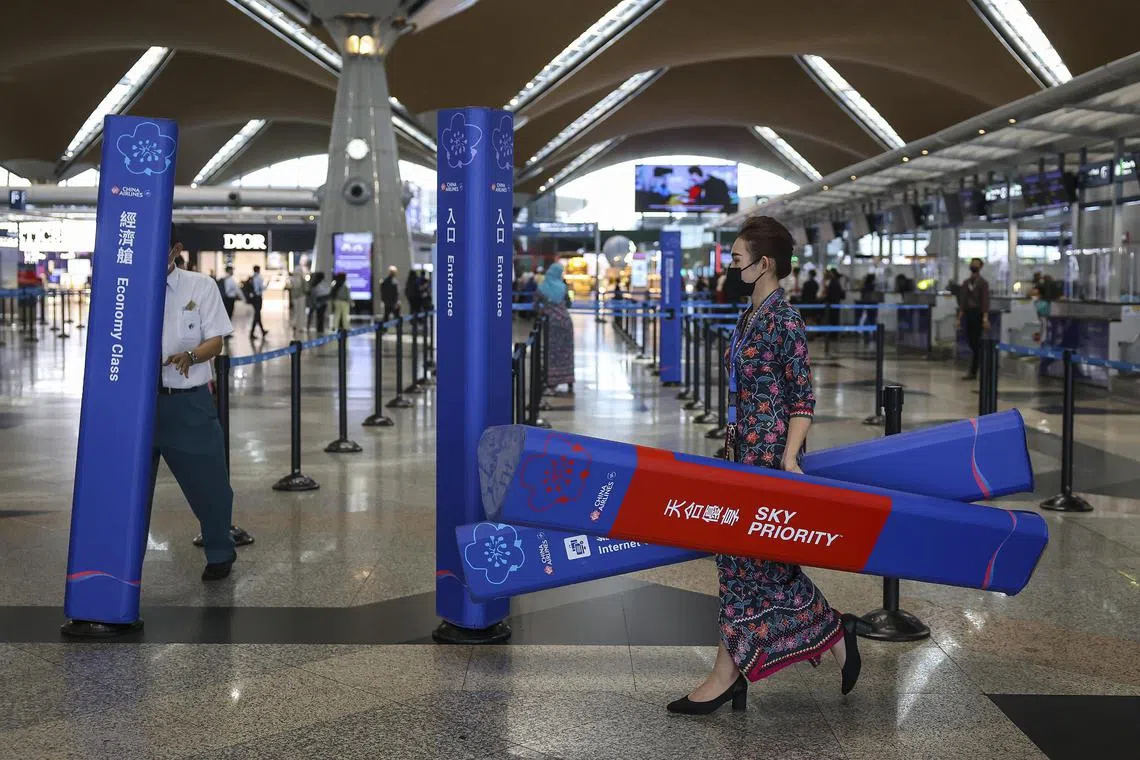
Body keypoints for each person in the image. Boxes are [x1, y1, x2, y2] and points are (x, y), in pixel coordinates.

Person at [668, 215, 863, 716]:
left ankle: (726, 674)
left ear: (764, 264)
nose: (732, 267)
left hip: (767, 456)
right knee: (754, 561)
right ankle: (830, 633)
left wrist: (789, 457)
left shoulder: (785, 320)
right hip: (740, 451)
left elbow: (802, 396)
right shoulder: (749, 313)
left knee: (742, 560)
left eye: (737, 259)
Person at [156, 237, 240, 581]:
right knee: (122, 486)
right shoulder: (126, 287)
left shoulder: (200, 286)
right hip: (137, 404)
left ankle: (220, 552)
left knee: (210, 484)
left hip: (188, 402)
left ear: (175, 249)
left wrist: (190, 356)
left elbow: (215, 341)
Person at [535, 261, 574, 395]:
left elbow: (535, 306)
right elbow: (569, 304)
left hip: (550, 323)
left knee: (551, 352)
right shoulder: (563, 287)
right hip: (566, 323)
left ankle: (551, 382)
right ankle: (569, 381)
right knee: (567, 352)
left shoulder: (541, 287)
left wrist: (542, 311)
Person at [958, 257, 991, 380]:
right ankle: (977, 365)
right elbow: (962, 300)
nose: (974, 266)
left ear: (981, 267)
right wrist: (959, 316)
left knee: (976, 341)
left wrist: (985, 317)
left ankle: (974, 371)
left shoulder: (983, 283)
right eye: (972, 263)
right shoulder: (966, 283)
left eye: (976, 264)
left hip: (978, 314)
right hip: (968, 313)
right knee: (969, 339)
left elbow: (985, 301)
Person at [823, 267, 845, 356]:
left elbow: (830, 293)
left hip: (832, 304)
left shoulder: (833, 282)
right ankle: (833, 335)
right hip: (835, 303)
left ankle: (833, 335)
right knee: (834, 319)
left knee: (833, 319)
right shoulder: (837, 282)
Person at [248, 264, 267, 340]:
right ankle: (251, 333)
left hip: (253, 298)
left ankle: (262, 331)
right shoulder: (259, 277)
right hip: (258, 298)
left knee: (257, 315)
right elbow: (262, 288)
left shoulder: (252, 277)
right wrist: (267, 284)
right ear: (259, 270)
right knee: (257, 315)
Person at [289, 267, 307, 337]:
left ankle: (294, 324)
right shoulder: (302, 278)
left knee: (296, 311)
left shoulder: (292, 279)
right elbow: (306, 287)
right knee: (301, 312)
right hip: (301, 296)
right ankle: (301, 327)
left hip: (294, 297)